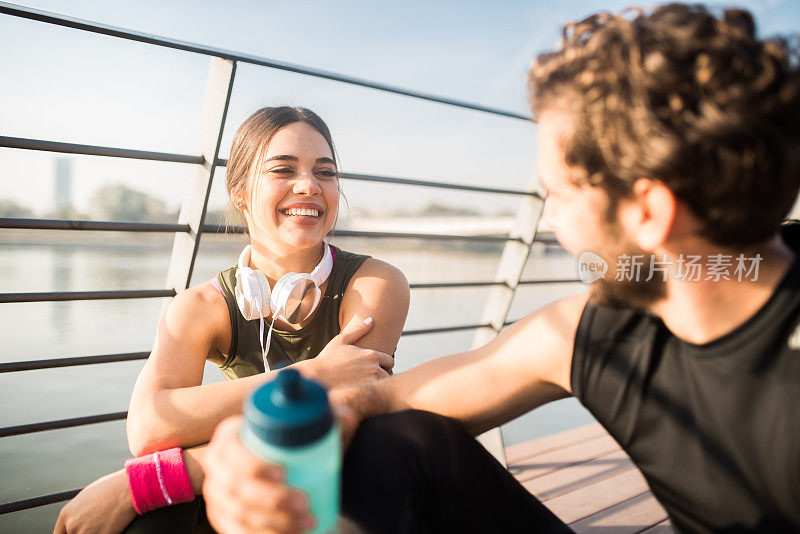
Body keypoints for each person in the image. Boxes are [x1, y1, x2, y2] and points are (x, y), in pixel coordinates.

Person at [200, 4, 800, 533]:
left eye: (557, 196)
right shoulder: (591, 331)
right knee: (397, 443)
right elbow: (379, 402)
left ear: (648, 212)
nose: (552, 224)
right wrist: (253, 453)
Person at [53, 106, 410, 534]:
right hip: (245, 488)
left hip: (347, 481)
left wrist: (147, 483)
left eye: (325, 172)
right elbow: (149, 427)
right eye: (283, 169)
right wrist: (316, 375)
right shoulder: (202, 306)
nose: (308, 185)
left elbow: (345, 417)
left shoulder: (374, 284)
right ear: (240, 193)